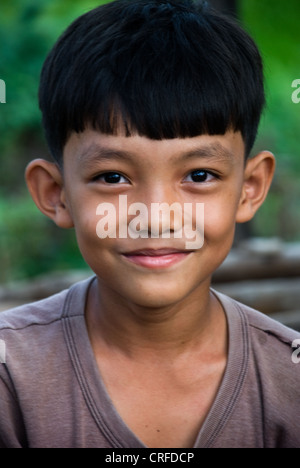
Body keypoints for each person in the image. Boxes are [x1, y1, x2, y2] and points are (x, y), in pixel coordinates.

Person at [0, 0, 299, 449]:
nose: (156, 215)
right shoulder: (11, 378)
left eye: (199, 176)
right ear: (55, 194)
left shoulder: (288, 379)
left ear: (250, 188)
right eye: (113, 177)